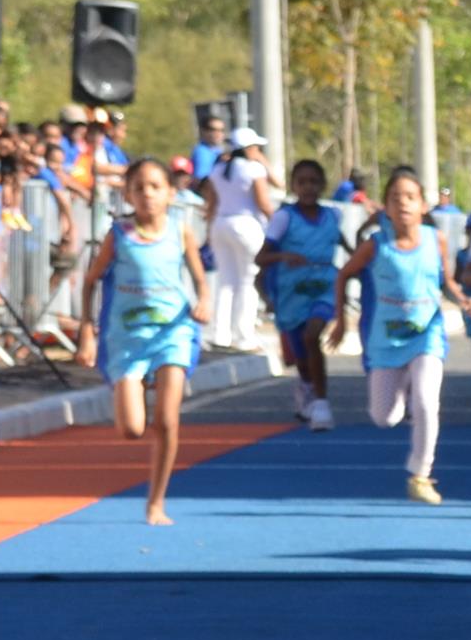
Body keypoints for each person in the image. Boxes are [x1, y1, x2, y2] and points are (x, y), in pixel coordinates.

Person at [84, 154, 205, 527]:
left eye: (155, 187)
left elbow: (199, 277)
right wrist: (86, 331)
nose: (148, 195)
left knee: (167, 420)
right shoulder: (118, 235)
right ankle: (137, 380)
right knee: (132, 429)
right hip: (128, 338)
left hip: (173, 334)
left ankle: (156, 502)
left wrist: (204, 302)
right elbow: (91, 281)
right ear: (127, 195)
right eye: (139, 188)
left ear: (170, 193)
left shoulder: (180, 230)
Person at [351, 165, 469, 504]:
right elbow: (345, 274)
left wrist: (463, 299)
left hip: (427, 334)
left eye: (410, 197)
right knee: (384, 417)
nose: (403, 203)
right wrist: (341, 320)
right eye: (395, 198)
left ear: (422, 206)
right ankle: (401, 385)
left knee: (427, 402)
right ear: (385, 207)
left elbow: (447, 281)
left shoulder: (436, 239)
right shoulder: (376, 245)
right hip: (387, 339)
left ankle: (421, 474)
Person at [256, 156, 350, 428]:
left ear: (322, 185)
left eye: (314, 182)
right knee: (300, 349)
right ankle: (306, 386)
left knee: (312, 336)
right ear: (294, 186)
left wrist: (359, 257)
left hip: (325, 285)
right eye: (302, 182)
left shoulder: (333, 215)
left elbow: (340, 240)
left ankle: (322, 404)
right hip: (292, 290)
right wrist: (284, 255)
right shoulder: (284, 218)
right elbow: (260, 258)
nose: (308, 187)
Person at [202, 125, 275, 349]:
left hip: (220, 224)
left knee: (226, 282)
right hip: (246, 225)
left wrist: (209, 232)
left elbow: (212, 204)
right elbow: (264, 202)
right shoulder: (253, 169)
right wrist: (278, 222)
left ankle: (220, 334)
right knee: (247, 280)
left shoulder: (218, 170)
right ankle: (244, 336)